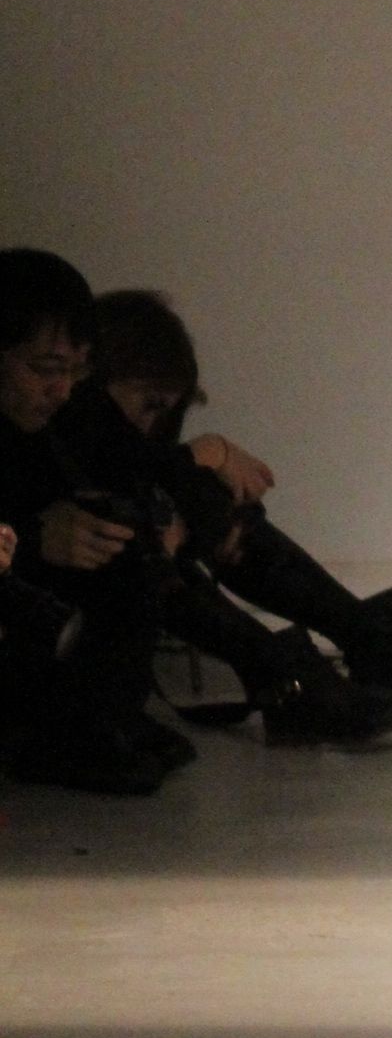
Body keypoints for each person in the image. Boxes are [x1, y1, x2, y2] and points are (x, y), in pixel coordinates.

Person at [80, 290, 392, 727]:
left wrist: (206, 505)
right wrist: (209, 453)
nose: (153, 426)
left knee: (207, 498)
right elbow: (114, 472)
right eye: (148, 405)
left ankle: (356, 653)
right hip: (95, 568)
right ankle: (313, 669)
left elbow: (142, 471)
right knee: (168, 518)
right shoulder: (66, 432)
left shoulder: (124, 445)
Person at [0, 248, 184, 794]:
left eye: (76, 372)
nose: (62, 389)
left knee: (121, 548)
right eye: (46, 369)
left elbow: (138, 466)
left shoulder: (47, 420)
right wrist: (34, 538)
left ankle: (100, 719)